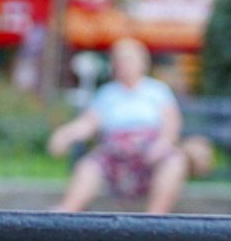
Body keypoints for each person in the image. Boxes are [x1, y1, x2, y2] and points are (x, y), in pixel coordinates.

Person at [46, 37, 187, 214]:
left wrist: (163, 143)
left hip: (150, 152)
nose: (124, 65)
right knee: (89, 166)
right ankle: (66, 211)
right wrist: (65, 135)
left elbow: (172, 124)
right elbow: (88, 124)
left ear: (143, 62)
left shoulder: (157, 91)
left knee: (174, 162)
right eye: (119, 60)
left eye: (129, 59)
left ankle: (155, 219)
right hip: (113, 154)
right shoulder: (107, 94)